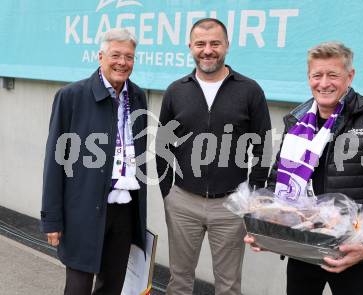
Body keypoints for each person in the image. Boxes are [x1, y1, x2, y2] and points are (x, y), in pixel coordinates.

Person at [245, 41, 363, 295]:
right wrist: (269, 227)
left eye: (333, 75)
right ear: (308, 77)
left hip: (351, 252)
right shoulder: (297, 123)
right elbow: (277, 182)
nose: (324, 83)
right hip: (301, 245)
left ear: (350, 76)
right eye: (317, 75)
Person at [155, 18, 272, 295]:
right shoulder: (176, 90)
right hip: (183, 202)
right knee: (179, 281)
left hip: (230, 205)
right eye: (201, 44)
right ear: (191, 47)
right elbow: (163, 147)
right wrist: (168, 192)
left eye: (215, 43)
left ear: (227, 46)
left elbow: (263, 148)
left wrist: (251, 198)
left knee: (229, 286)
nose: (208, 50)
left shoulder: (249, 90)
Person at [40, 28, 148, 295]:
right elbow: (55, 161)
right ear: (100, 56)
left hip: (124, 209)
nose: (122, 62)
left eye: (129, 57)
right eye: (116, 55)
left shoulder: (138, 97)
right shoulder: (71, 96)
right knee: (78, 286)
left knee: (112, 286)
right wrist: (52, 218)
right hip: (83, 209)